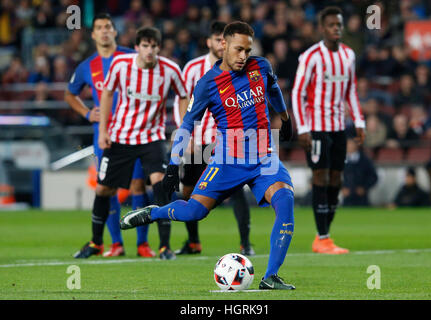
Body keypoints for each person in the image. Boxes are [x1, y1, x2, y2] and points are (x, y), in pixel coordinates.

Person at [120, 22, 296, 290]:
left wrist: (284, 117)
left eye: (247, 50)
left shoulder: (261, 67)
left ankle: (270, 277)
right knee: (193, 211)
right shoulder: (207, 84)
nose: (243, 56)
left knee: (285, 201)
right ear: (222, 45)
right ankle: (155, 214)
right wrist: (173, 165)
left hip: (263, 155)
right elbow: (188, 124)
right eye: (238, 50)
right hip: (227, 159)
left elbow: (272, 89)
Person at [72, 26, 188, 259]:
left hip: (152, 138)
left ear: (158, 47)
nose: (149, 51)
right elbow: (106, 94)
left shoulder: (170, 70)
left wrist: (182, 127)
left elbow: (183, 95)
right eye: (145, 46)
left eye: (153, 46)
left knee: (160, 185)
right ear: (137, 47)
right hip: (121, 137)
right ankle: (96, 242)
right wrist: (103, 130)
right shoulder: (122, 65)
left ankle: (164, 246)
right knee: (104, 188)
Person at [65, 13, 158, 258]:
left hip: (135, 132)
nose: (104, 31)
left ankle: (143, 244)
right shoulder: (87, 66)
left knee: (139, 184)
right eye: (99, 28)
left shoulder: (131, 56)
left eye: (108, 27)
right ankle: (115, 243)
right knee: (107, 187)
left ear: (115, 31)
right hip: (104, 135)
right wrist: (87, 114)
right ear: (93, 34)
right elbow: (69, 94)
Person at [173, 21, 254, 256]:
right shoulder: (192, 68)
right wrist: (184, 135)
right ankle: (193, 241)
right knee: (188, 190)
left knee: (237, 190)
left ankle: (245, 244)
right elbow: (182, 101)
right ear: (210, 42)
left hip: (226, 142)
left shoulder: (241, 69)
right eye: (217, 39)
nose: (221, 44)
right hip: (198, 142)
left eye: (224, 40)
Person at [291, 6, 366, 254]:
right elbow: (298, 93)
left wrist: (359, 121)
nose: (337, 28)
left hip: (338, 128)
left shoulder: (348, 55)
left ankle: (324, 235)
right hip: (316, 128)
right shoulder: (311, 56)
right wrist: (302, 128)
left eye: (339, 25)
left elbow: (351, 91)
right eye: (332, 25)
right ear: (322, 28)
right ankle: (322, 237)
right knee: (320, 177)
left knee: (336, 178)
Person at [342, 138, 378, 206]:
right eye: (348, 144)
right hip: (347, 198)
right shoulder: (340, 159)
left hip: (362, 199)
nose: (349, 146)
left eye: (351, 144)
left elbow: (373, 177)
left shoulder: (365, 160)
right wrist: (342, 188)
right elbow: (334, 176)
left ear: (357, 145)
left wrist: (364, 188)